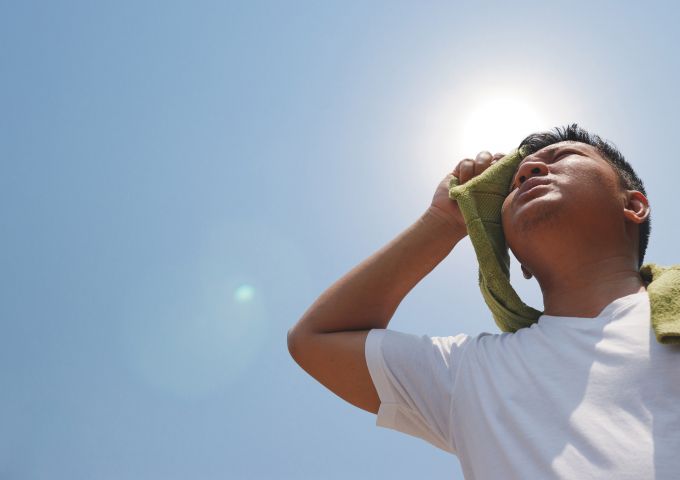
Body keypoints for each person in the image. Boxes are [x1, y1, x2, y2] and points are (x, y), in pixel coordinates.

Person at [287, 124, 680, 479]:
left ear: (633, 205)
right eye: (512, 184)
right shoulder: (472, 372)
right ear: (519, 262)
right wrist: (442, 222)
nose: (527, 172)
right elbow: (316, 339)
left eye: (563, 157)